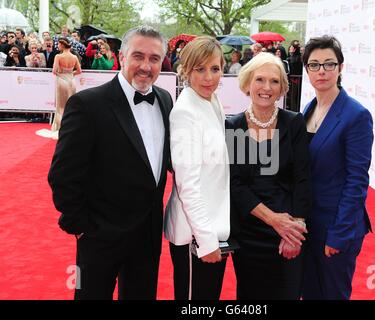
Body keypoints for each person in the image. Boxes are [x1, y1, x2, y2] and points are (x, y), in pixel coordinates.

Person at [47, 26, 173, 300]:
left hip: (147, 237)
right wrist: (81, 228)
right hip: (98, 237)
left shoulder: (164, 100)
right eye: (138, 56)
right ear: (122, 57)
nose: (146, 66)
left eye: (154, 59)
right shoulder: (88, 104)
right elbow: (63, 175)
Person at [226, 52, 312, 299]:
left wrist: (296, 229)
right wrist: (274, 219)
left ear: (282, 87)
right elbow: (236, 184)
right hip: (249, 234)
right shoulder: (234, 126)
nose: (266, 87)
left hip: (289, 233)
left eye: (274, 81)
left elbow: (302, 178)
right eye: (260, 79)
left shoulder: (293, 122)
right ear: (247, 83)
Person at [300, 35, 373, 300]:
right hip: (308, 225)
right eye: (314, 65)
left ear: (340, 68)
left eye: (329, 64)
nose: (322, 71)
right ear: (306, 69)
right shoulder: (308, 109)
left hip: (336, 227)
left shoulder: (356, 115)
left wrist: (339, 234)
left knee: (332, 294)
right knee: (310, 292)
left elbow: (357, 181)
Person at [164, 36, 230, 300]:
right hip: (194, 233)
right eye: (199, 69)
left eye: (215, 69)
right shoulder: (185, 112)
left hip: (212, 226)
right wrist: (206, 240)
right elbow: (186, 183)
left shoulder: (212, 101)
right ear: (186, 70)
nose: (208, 77)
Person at [50, 37, 81, 135]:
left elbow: (54, 71)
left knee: (61, 106)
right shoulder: (74, 57)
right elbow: (79, 71)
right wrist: (70, 74)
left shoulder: (58, 57)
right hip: (71, 81)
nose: (57, 46)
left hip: (62, 81)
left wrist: (62, 73)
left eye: (58, 44)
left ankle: (59, 127)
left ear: (62, 45)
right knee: (71, 104)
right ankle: (72, 126)